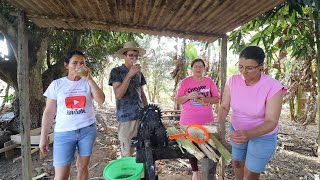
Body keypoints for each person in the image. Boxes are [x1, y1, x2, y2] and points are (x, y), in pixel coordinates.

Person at [217, 46, 286, 180]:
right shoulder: (232, 81)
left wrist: (248, 134)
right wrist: (219, 123)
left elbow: (271, 121)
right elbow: (224, 106)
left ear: (261, 66)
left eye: (249, 68)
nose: (244, 72)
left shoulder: (273, 86)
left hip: (263, 135)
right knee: (237, 163)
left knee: (251, 173)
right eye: (241, 66)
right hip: (237, 130)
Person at [39, 50, 105, 180]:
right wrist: (43, 136)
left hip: (87, 130)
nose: (79, 66)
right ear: (66, 65)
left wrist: (89, 78)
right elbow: (49, 112)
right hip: (64, 133)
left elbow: (101, 100)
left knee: (82, 167)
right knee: (61, 175)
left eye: (82, 63)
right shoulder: (57, 84)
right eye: (74, 63)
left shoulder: (87, 82)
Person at [176, 58, 220, 180]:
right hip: (188, 120)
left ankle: (208, 173)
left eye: (201, 66)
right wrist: (188, 96)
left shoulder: (209, 81)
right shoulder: (185, 82)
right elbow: (178, 100)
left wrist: (205, 99)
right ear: (192, 68)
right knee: (191, 146)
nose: (198, 68)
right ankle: (195, 172)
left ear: (204, 68)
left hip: (206, 119)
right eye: (196, 66)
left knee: (208, 145)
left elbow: (216, 99)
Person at [108, 41, 148, 157]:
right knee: (127, 152)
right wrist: (129, 75)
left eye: (136, 56)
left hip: (140, 115)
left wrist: (147, 110)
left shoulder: (139, 72)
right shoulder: (116, 71)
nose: (134, 58)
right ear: (124, 56)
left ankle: (141, 175)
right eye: (131, 55)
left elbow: (142, 93)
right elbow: (119, 95)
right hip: (126, 117)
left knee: (142, 150)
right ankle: (128, 174)